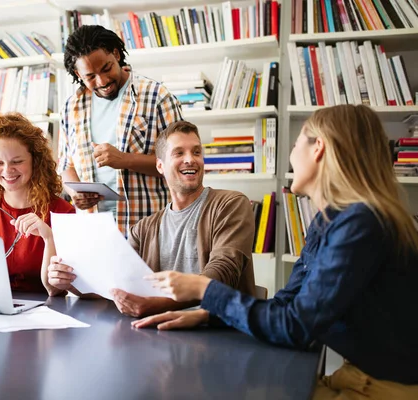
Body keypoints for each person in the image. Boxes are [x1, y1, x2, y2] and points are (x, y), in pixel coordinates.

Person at [134, 105, 418, 399]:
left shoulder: (361, 224)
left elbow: (295, 326)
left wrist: (204, 289)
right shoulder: (327, 221)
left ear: (317, 148)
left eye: (296, 144)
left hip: (382, 388)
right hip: (351, 375)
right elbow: (287, 303)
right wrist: (209, 316)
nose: (292, 155)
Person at [49, 121, 257, 317]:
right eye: (179, 153)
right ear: (160, 166)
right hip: (158, 336)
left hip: (220, 332)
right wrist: (70, 280)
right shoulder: (144, 229)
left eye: (196, 152)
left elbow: (223, 274)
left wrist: (156, 305)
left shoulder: (231, 204)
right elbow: (114, 283)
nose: (190, 159)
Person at [58, 25, 183, 236]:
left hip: (148, 229)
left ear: (116, 54)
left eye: (107, 69)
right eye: (90, 77)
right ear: (78, 74)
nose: (102, 81)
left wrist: (124, 159)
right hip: (94, 231)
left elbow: (179, 164)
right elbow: (65, 166)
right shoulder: (71, 107)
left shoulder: (157, 97)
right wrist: (75, 192)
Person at [0, 113, 75, 296]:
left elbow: (56, 290)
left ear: (35, 161)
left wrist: (49, 238)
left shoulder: (63, 212)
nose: (8, 170)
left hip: (47, 313)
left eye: (17, 162)